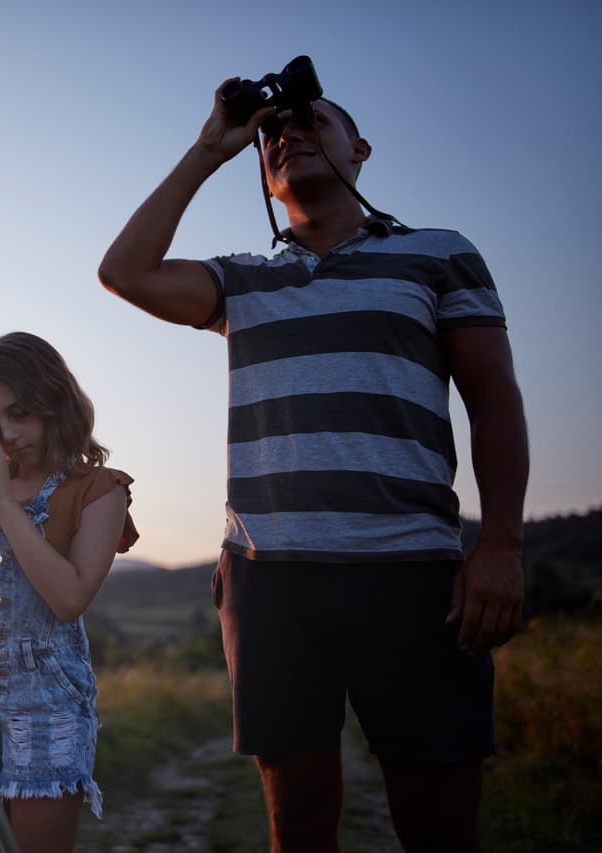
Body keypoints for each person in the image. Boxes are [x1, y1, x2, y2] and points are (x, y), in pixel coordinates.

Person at [98, 74, 529, 853]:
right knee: (297, 825)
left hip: (413, 573)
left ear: (359, 151)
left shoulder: (438, 256)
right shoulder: (241, 280)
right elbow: (124, 271)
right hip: (272, 577)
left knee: (440, 825)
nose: (286, 133)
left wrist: (499, 544)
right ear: (261, 170)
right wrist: (210, 148)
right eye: (273, 133)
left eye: (310, 121)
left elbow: (493, 400)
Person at [0, 331, 139, 853]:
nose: (9, 435)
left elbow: (70, 598)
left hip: (46, 702)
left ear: (56, 406)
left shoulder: (100, 490)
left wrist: (3, 502)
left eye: (23, 414)